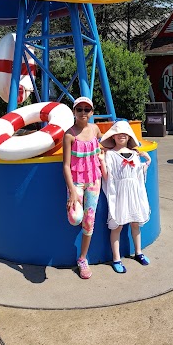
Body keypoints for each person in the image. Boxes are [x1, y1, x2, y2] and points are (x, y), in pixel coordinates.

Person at [62, 96, 106, 279]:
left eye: (86, 110)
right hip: (77, 182)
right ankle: (77, 207)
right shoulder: (69, 134)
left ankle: (82, 258)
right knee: (75, 217)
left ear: (92, 112)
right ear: (74, 112)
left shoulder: (95, 129)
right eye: (79, 109)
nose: (83, 113)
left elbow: (104, 146)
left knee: (89, 220)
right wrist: (72, 192)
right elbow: (65, 165)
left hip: (94, 180)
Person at [100, 121, 152, 274]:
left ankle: (138, 252)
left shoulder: (135, 154)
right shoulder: (110, 154)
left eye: (125, 133)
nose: (122, 136)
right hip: (119, 193)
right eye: (118, 133)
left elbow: (138, 174)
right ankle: (116, 259)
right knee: (118, 225)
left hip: (134, 192)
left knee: (135, 223)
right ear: (113, 136)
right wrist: (102, 161)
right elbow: (107, 177)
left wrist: (147, 161)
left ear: (129, 136)